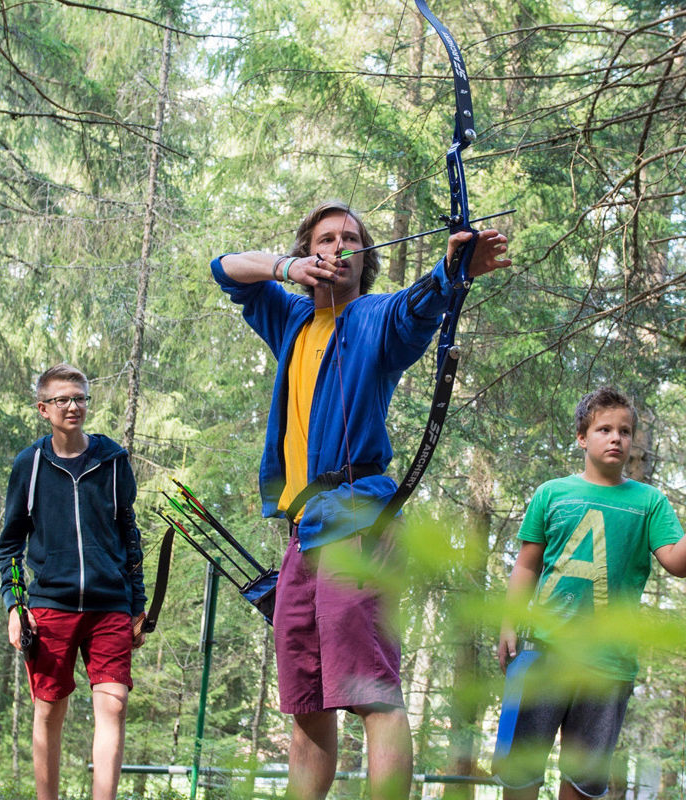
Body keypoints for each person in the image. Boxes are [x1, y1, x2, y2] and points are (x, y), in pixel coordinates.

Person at [210, 201, 512, 800]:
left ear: (365, 261)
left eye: (352, 240)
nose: (339, 247)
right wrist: (285, 267)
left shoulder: (376, 318)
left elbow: (421, 304)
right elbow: (223, 269)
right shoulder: (290, 318)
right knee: (306, 704)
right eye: (326, 238)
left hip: (358, 520)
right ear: (308, 252)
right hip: (304, 533)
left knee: (373, 690)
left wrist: (455, 271)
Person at [492, 388, 686, 800]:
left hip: (609, 666)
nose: (616, 438)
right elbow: (526, 565)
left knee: (582, 783)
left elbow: (680, 563)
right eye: (604, 429)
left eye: (625, 431)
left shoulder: (649, 502)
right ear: (582, 437)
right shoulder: (552, 493)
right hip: (546, 654)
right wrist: (509, 622)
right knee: (520, 776)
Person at [0, 364, 147, 800]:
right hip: (49, 605)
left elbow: (128, 534)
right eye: (62, 399)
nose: (73, 406)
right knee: (47, 711)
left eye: (79, 397)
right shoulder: (30, 464)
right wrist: (15, 604)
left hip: (110, 604)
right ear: (43, 409)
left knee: (113, 705)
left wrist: (137, 605)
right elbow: (9, 545)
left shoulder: (112, 459)